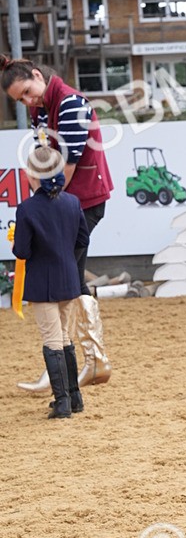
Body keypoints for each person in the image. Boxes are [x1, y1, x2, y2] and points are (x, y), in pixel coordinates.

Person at [1, 57, 113, 390]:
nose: (27, 102)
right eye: (20, 100)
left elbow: (66, 165)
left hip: (79, 203)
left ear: (37, 75)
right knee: (69, 278)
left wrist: (42, 209)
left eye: (26, 92)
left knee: (68, 280)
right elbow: (44, 157)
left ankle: (77, 366)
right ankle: (83, 364)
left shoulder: (70, 103)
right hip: (68, 204)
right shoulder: (44, 109)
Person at [11, 146, 89, 418]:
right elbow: (83, 240)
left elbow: (22, 252)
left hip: (42, 285)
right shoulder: (73, 202)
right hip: (69, 279)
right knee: (66, 338)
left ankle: (62, 403)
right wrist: (66, 258)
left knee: (52, 339)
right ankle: (75, 397)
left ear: (31, 177)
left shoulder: (27, 209)